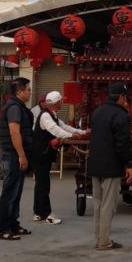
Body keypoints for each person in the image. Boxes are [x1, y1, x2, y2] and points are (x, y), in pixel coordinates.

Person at [87, 82, 132, 250]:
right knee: (109, 205)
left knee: (98, 204)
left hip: (95, 165)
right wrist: (128, 164)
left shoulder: (97, 112)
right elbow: (123, 144)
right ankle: (104, 240)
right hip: (111, 166)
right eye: (125, 97)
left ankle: (99, 238)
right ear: (121, 97)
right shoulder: (121, 116)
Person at [31, 91, 87, 225]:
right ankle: (46, 214)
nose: (62, 103)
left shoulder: (52, 115)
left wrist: (82, 132)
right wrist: (71, 136)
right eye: (61, 101)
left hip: (44, 155)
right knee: (43, 185)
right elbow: (55, 130)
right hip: (40, 155)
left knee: (40, 184)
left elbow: (65, 127)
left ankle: (38, 212)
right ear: (56, 103)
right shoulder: (45, 116)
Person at [0, 78, 35, 241]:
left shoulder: (19, 107)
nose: (29, 92)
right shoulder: (14, 109)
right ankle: (2, 228)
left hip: (16, 154)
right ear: (19, 91)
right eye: (28, 90)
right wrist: (21, 155)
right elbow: (14, 132)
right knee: (10, 191)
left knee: (16, 191)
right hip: (13, 154)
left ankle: (13, 224)